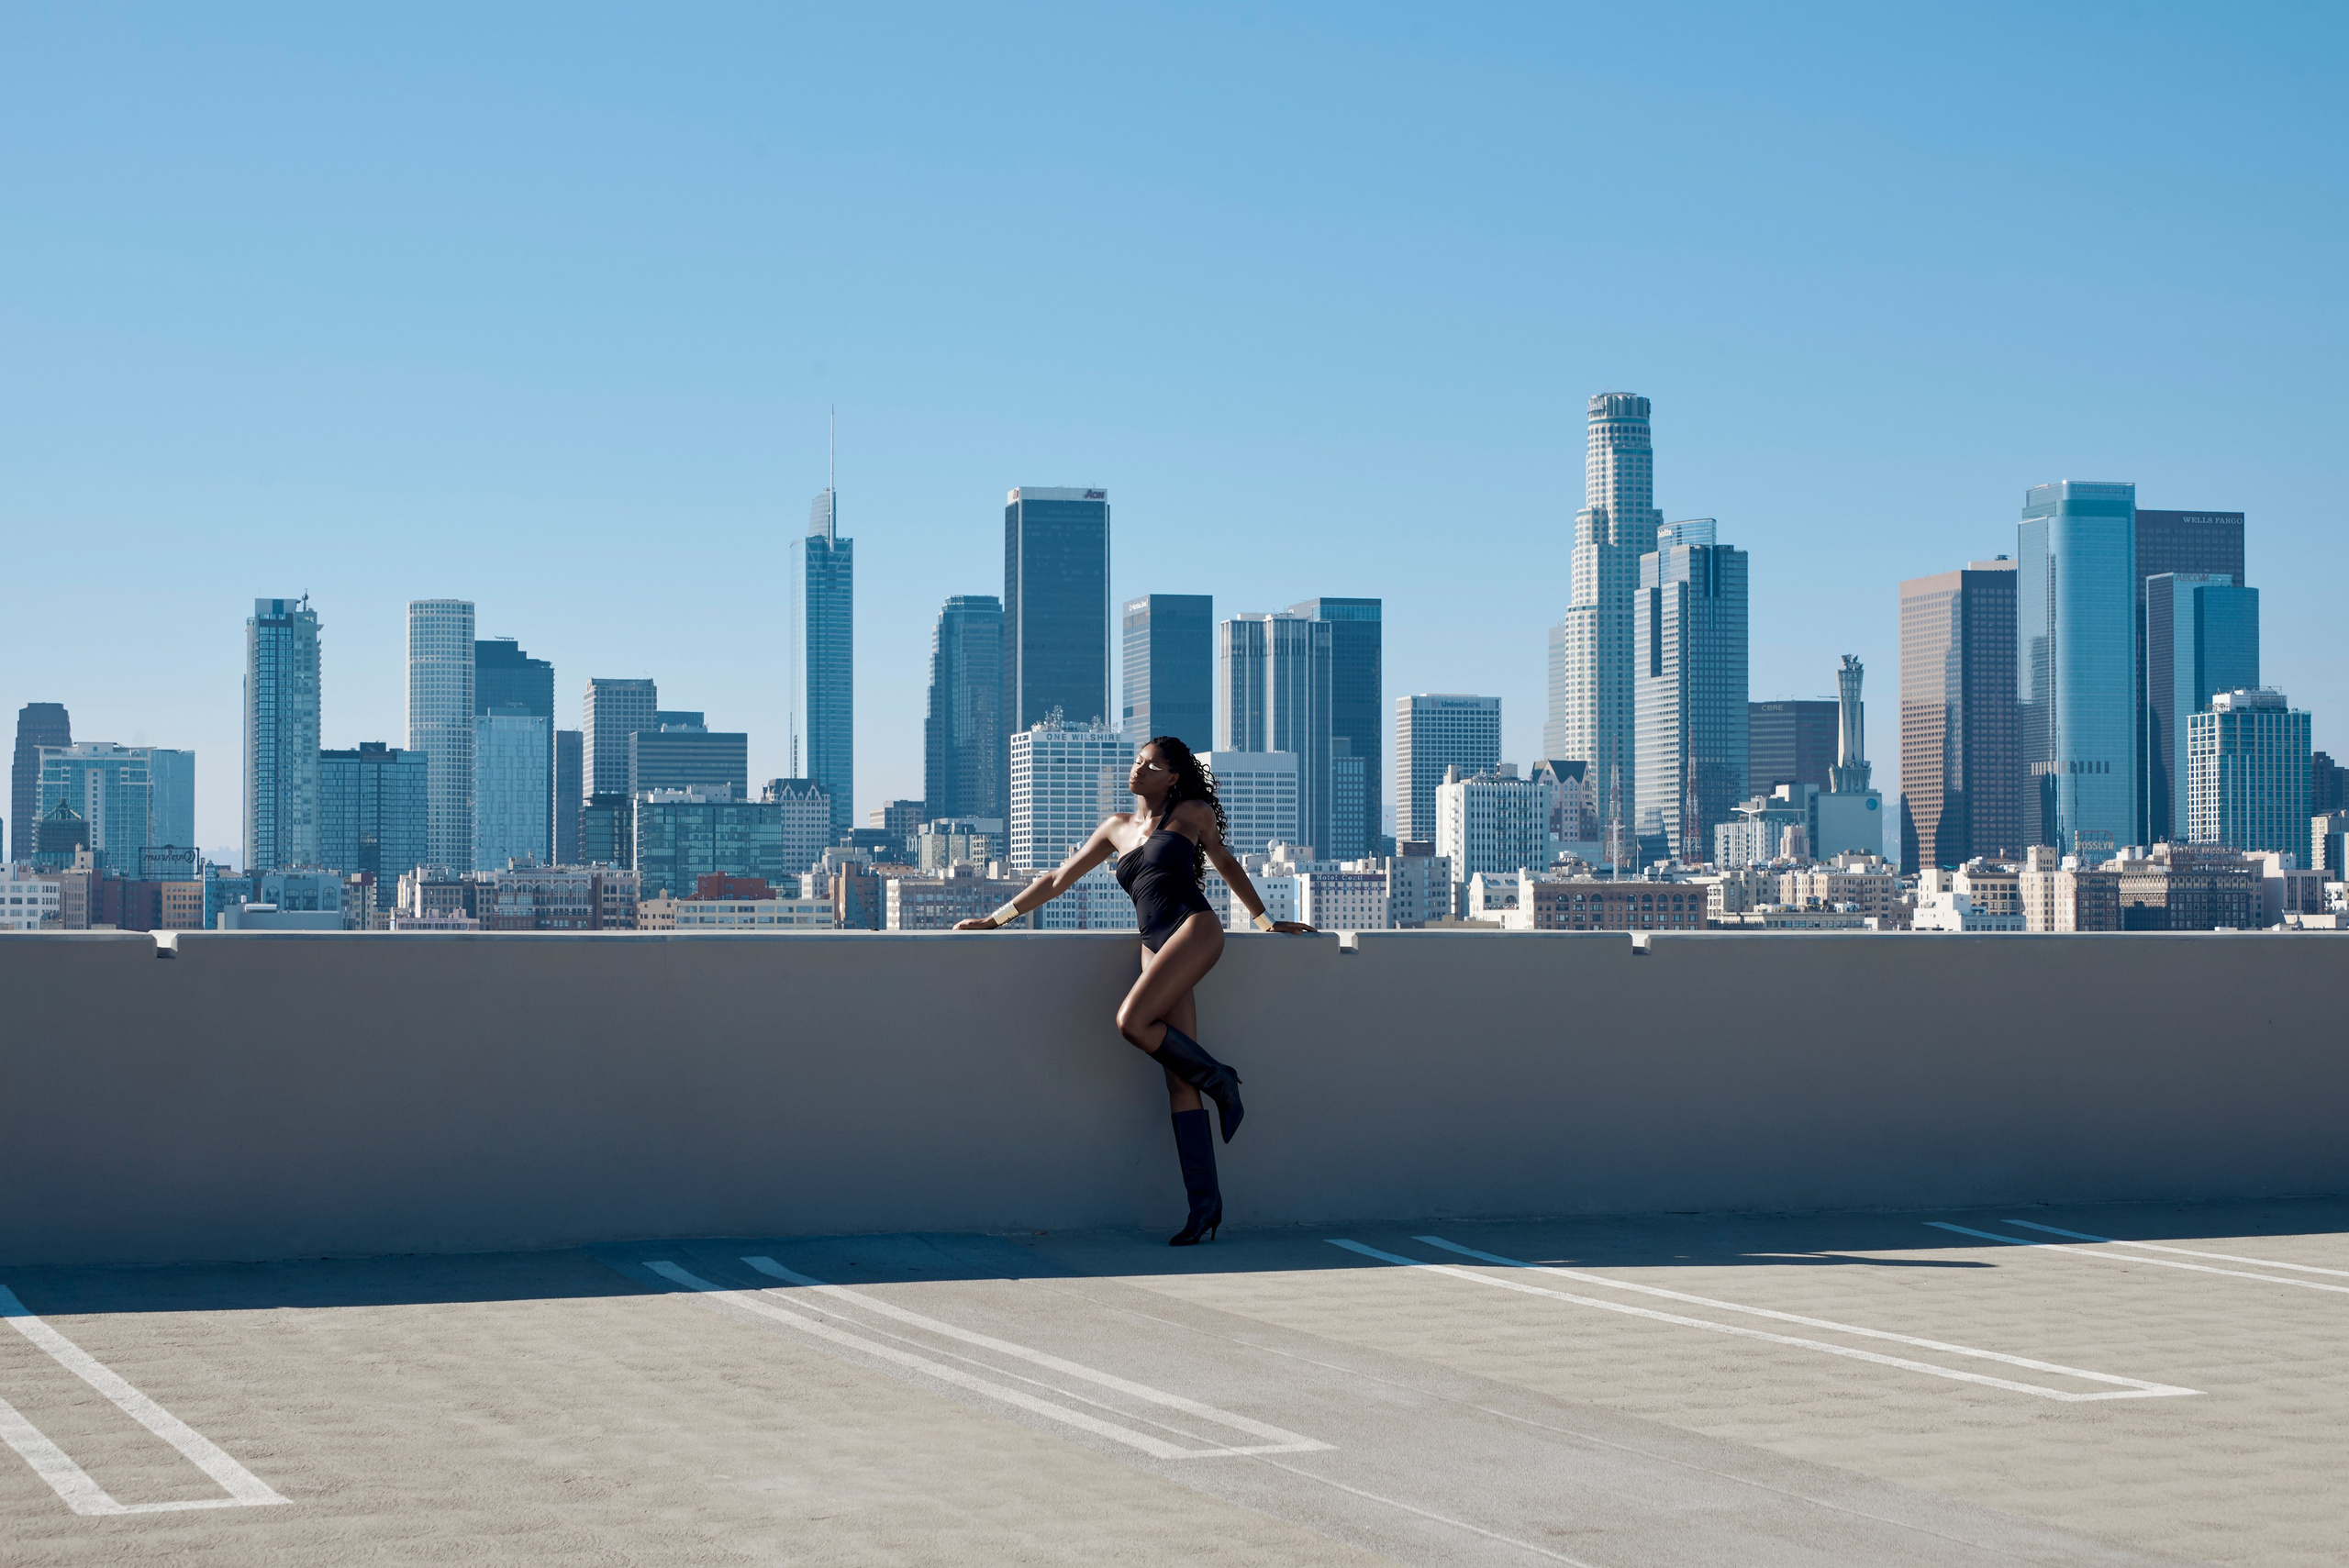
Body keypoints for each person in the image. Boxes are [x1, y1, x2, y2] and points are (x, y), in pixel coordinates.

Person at [956, 736, 1313, 1244]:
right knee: (1177, 1081)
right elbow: (1058, 877)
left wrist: (1265, 922)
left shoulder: (1193, 813)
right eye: (1137, 761)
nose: (1138, 769)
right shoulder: (1115, 829)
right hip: (1154, 945)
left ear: (1173, 776)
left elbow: (1227, 865)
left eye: (1151, 765)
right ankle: (1205, 1210)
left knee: (1131, 1021)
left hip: (1194, 930)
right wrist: (995, 920)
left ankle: (1223, 1080)